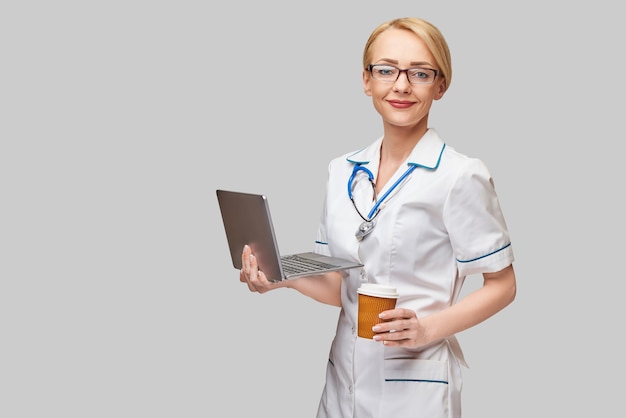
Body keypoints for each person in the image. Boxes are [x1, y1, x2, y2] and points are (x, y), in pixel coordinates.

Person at [239, 16, 516, 418]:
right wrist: (281, 278)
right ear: (367, 80)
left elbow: (503, 286)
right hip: (342, 383)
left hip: (416, 387)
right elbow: (340, 286)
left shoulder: (460, 175)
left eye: (419, 73)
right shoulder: (341, 171)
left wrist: (426, 329)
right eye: (386, 70)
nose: (401, 85)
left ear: (441, 85)